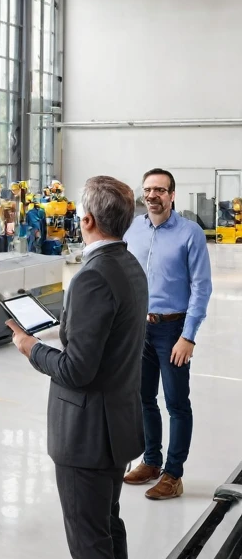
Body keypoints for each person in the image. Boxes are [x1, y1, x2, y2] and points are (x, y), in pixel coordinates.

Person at [7, 176, 147, 559]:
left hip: (87, 434)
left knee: (93, 553)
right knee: (109, 536)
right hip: (117, 426)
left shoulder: (91, 278)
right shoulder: (127, 265)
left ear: (85, 220)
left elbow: (77, 369)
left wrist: (29, 348)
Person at [123, 167, 212, 501]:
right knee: (144, 398)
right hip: (138, 328)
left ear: (172, 195)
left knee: (176, 403)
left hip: (173, 329)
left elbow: (201, 288)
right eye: (148, 190)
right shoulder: (132, 229)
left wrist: (187, 336)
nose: (152, 196)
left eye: (159, 190)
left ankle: (174, 474)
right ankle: (151, 461)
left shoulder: (190, 234)